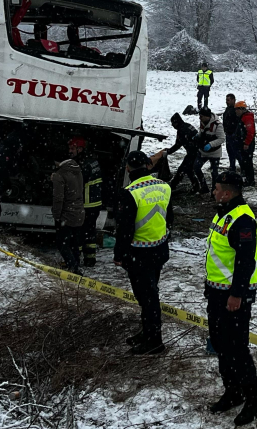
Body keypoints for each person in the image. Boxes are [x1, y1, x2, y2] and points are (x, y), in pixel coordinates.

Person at [204, 172, 257, 426]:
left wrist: (237, 294)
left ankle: (255, 399)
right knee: (221, 344)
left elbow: (245, 261)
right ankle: (233, 390)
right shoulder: (223, 213)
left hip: (234, 295)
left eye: (217, 188)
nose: (214, 192)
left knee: (236, 347)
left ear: (228, 193)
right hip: (218, 291)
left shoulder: (242, 220)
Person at [115, 151, 171, 354]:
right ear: (147, 166)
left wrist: (119, 254)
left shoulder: (130, 192)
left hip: (139, 254)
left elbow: (125, 229)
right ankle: (147, 331)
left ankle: (154, 340)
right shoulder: (164, 186)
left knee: (147, 297)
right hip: (159, 250)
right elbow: (168, 217)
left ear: (128, 168)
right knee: (150, 293)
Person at [51, 142, 86, 273]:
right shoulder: (77, 169)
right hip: (79, 212)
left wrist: (57, 215)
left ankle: (73, 267)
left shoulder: (60, 175)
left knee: (62, 243)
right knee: (74, 243)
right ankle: (75, 263)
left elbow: (58, 198)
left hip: (67, 214)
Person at [70, 136, 103, 268]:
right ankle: (90, 259)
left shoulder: (82, 164)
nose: (70, 151)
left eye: (72, 148)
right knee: (90, 232)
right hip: (95, 204)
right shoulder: (93, 160)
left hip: (86, 204)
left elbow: (77, 182)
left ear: (80, 148)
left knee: (77, 233)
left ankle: (74, 260)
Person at [195, 107, 226, 195]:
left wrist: (211, 144)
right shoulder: (202, 122)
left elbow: (222, 139)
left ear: (207, 116)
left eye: (201, 116)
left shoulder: (217, 125)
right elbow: (201, 132)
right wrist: (198, 136)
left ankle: (214, 191)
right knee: (196, 167)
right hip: (203, 151)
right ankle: (203, 186)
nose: (199, 118)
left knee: (214, 172)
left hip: (215, 152)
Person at [166, 113, 201, 191]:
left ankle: (173, 186)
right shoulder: (187, 126)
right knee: (188, 169)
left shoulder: (182, 130)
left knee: (182, 169)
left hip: (193, 152)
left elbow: (178, 144)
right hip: (196, 150)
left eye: (173, 123)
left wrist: (169, 151)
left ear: (176, 122)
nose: (172, 125)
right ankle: (196, 186)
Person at [236, 101, 257, 184]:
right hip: (245, 143)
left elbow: (250, 132)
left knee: (247, 162)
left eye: (236, 109)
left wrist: (246, 143)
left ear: (241, 109)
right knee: (246, 161)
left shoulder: (247, 118)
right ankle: (248, 178)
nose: (235, 111)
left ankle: (250, 180)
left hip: (247, 144)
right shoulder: (244, 117)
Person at [223, 94, 240, 171]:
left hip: (234, 134)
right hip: (228, 133)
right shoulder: (228, 109)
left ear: (233, 100)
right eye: (226, 100)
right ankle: (232, 166)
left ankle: (241, 167)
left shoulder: (236, 110)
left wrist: (235, 133)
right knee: (230, 151)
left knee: (236, 152)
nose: (226, 102)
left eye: (228, 100)